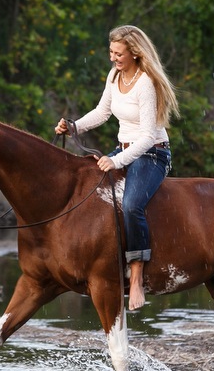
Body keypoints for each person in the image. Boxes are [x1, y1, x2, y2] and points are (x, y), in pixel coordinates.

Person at [55, 24, 179, 311]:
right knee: (85, 189)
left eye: (118, 53)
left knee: (132, 203)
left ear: (135, 53)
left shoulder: (146, 83)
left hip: (151, 154)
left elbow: (148, 136)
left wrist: (116, 161)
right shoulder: (114, 75)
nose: (112, 58)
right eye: (111, 52)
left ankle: (135, 277)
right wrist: (74, 126)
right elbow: (103, 112)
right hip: (123, 149)